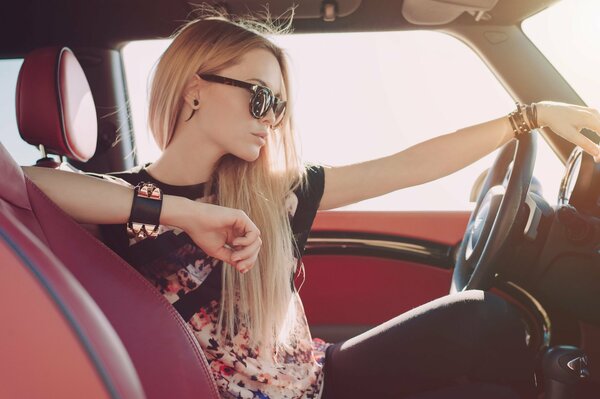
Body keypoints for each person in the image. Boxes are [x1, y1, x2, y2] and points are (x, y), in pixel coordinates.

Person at [23, 9, 600, 399]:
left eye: (280, 107)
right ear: (195, 89)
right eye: (262, 98)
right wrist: (185, 213)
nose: (272, 120)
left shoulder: (273, 192)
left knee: (484, 320)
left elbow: (405, 167)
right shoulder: (115, 205)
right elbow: (28, 183)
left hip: (319, 379)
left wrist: (527, 118)